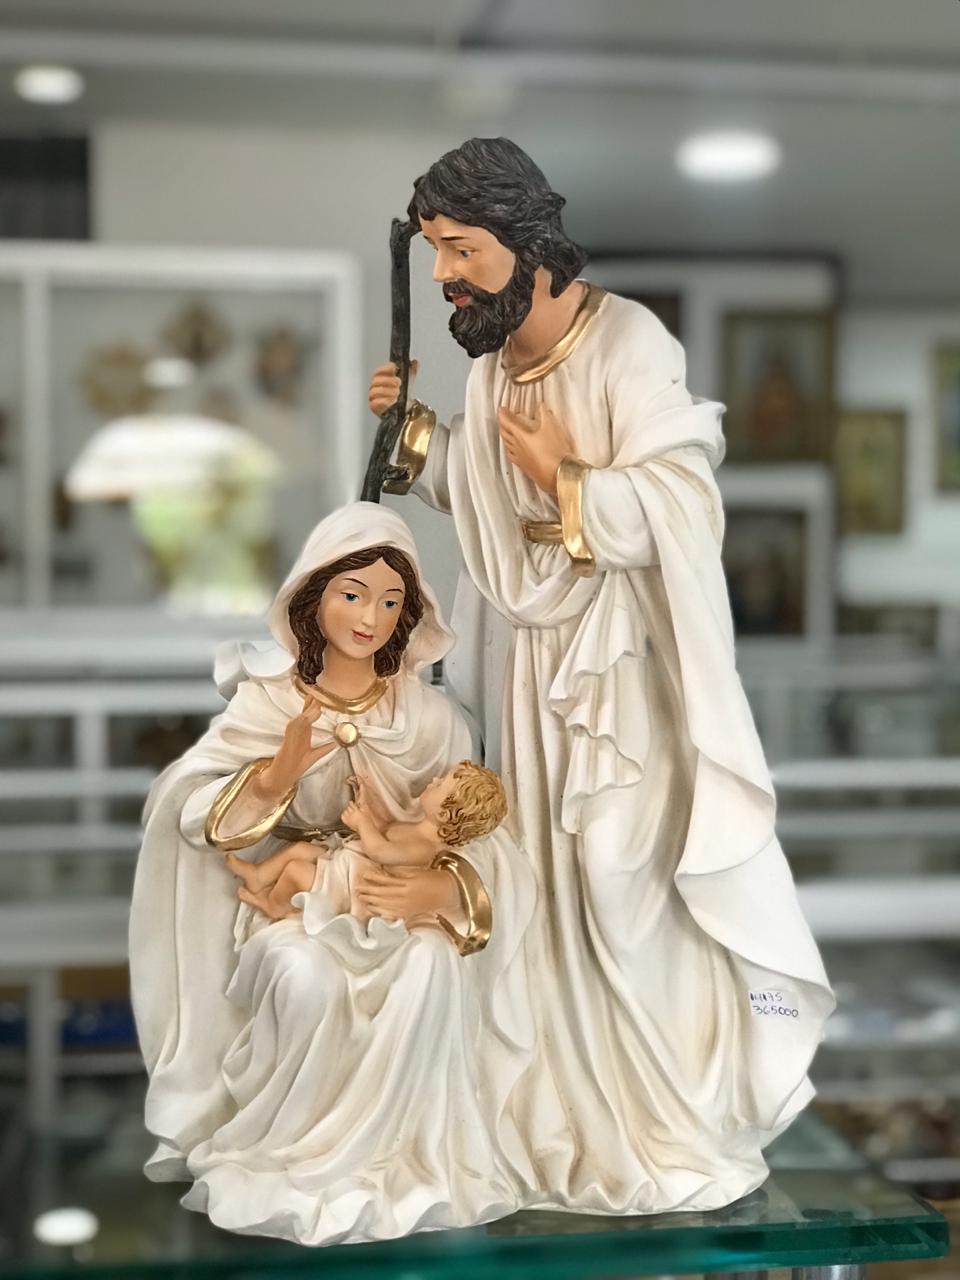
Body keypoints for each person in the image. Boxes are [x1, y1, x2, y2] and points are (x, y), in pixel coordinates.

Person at [368, 137, 835, 1214]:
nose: (444, 274)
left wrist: (569, 478)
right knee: (536, 886)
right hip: (519, 662)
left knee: (622, 884)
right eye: (435, 250)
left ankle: (666, 1118)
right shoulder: (491, 363)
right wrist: (418, 437)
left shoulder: (631, 343)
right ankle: (559, 1115)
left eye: (462, 249)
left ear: (525, 242)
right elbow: (487, 497)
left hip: (616, 673)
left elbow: (686, 504)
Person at [129, 503, 536, 1245]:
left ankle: (402, 1162)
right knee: (306, 978)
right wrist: (272, 777)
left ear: (409, 614)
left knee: (431, 966)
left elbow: (483, 833)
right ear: (313, 596)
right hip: (299, 907)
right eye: (353, 594)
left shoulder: (430, 720)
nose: (370, 618)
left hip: (392, 911)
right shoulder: (268, 700)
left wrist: (443, 887)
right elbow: (189, 809)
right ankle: (294, 1159)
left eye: (390, 602)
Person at [224, 761, 508, 924]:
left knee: (296, 871)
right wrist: (367, 802)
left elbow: (381, 850)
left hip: (352, 887)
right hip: (347, 865)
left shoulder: (426, 847)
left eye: (440, 784)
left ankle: (276, 905)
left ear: (445, 814)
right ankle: (258, 876)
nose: (434, 779)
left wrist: (361, 823)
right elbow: (385, 830)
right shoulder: (419, 830)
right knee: (301, 849)